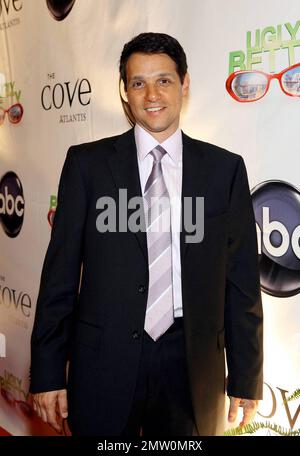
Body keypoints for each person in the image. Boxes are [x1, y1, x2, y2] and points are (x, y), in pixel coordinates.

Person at [30, 32, 263, 436]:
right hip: (104, 360)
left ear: (184, 84)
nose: (151, 94)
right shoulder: (87, 165)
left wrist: (246, 376)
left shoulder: (224, 170)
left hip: (191, 364)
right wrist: (48, 372)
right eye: (138, 83)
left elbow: (241, 281)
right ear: (125, 92)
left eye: (164, 80)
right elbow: (59, 277)